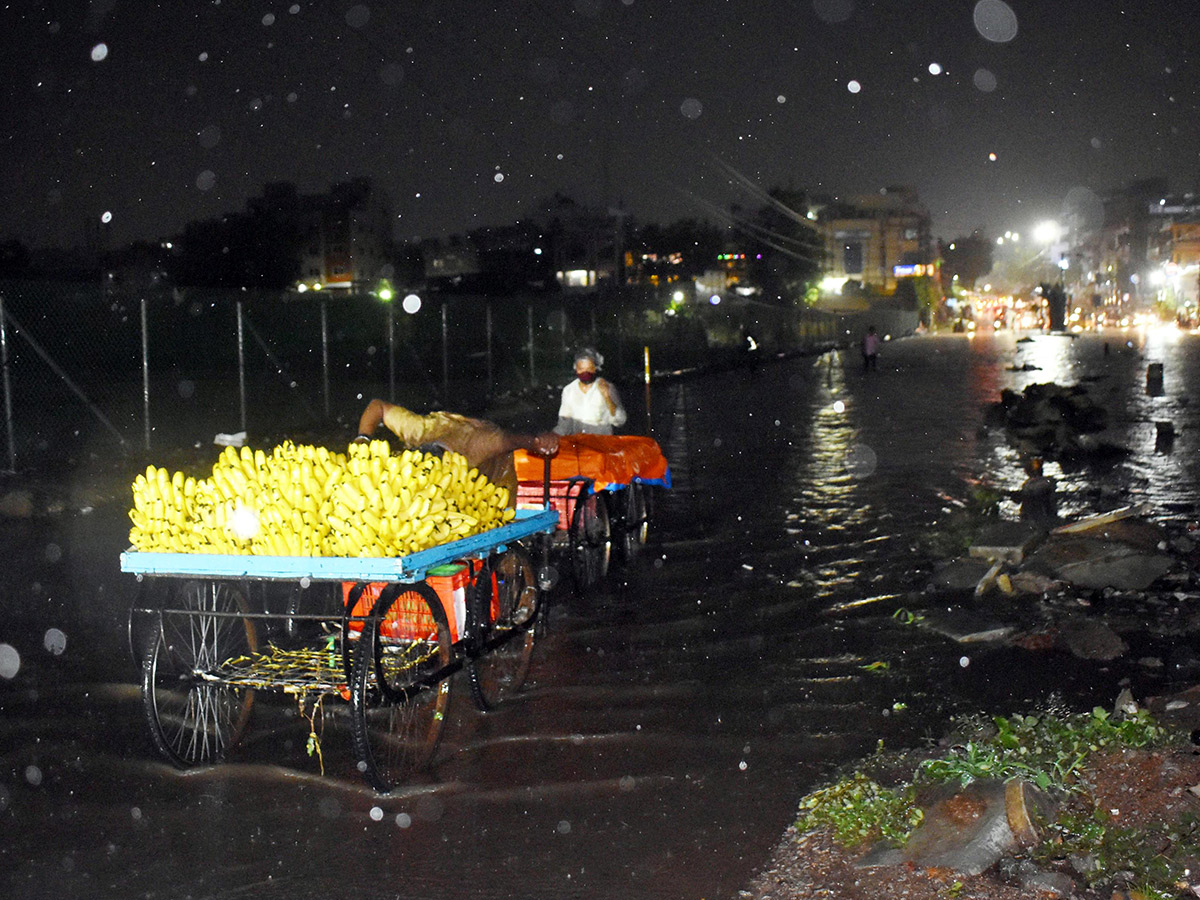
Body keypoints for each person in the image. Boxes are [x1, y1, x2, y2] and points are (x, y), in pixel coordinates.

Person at [354, 399, 558, 503]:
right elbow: (377, 406)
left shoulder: (478, 444)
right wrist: (362, 439)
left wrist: (537, 441)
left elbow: (509, 440)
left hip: (494, 482)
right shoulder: (419, 430)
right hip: (447, 431)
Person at [555, 347, 627, 435]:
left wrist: (607, 397)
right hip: (579, 443)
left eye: (589, 369)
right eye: (581, 369)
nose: (585, 373)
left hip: (602, 443)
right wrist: (551, 437)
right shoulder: (569, 390)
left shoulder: (606, 387)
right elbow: (564, 425)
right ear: (575, 367)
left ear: (596, 368)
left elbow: (620, 421)